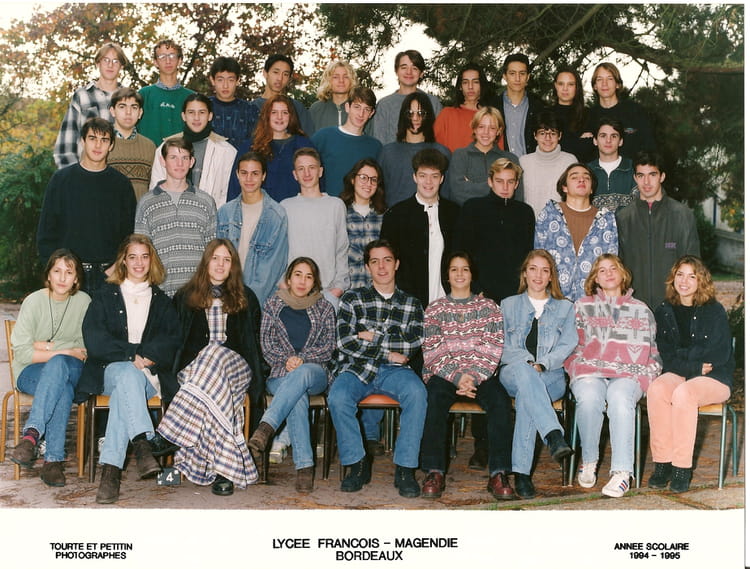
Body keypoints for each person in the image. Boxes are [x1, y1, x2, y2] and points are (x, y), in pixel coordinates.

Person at [75, 234, 181, 504]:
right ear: (123, 260)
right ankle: (143, 441)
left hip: (148, 378)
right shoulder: (104, 296)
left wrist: (149, 355)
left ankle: (111, 474)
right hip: (110, 372)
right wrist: (130, 353)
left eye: (144, 256)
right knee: (125, 373)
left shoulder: (162, 301)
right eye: (132, 256)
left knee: (128, 386)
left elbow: (172, 340)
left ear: (152, 260)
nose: (139, 262)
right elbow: (95, 339)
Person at [157, 239, 266, 497]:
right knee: (214, 387)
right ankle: (224, 472)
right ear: (206, 262)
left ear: (233, 266)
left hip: (236, 369)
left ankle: (171, 435)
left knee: (214, 352)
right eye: (215, 258)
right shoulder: (185, 296)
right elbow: (175, 342)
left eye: (226, 260)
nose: (220, 264)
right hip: (197, 374)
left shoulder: (246, 297)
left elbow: (252, 344)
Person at [327, 239, 426, 497]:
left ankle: (405, 469)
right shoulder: (352, 299)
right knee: (338, 397)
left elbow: (411, 345)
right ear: (367, 268)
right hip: (356, 368)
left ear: (397, 264)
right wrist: (387, 351)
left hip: (395, 372)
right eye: (375, 261)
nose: (381, 267)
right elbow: (345, 342)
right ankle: (357, 465)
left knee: (417, 393)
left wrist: (370, 336)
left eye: (387, 260)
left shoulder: (412, 303)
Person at [419, 252, 514, 500]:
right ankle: (434, 471)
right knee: (433, 398)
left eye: (465, 269)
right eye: (454, 269)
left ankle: (499, 472)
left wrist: (472, 376)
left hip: (481, 374)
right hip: (444, 374)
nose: (460, 274)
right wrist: (457, 376)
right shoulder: (435, 309)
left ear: (472, 274)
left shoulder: (489, 308)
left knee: (500, 401)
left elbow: (492, 347)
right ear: (447, 275)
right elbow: (433, 350)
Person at [565, 253, 661, 497]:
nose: (608, 273)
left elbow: (653, 353)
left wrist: (643, 377)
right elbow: (572, 347)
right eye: (602, 270)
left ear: (623, 274)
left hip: (629, 372)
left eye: (613, 268)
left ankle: (622, 473)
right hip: (590, 370)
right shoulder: (581, 306)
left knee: (619, 398)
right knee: (589, 398)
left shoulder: (641, 309)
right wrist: (577, 368)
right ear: (595, 279)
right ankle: (589, 460)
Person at [248, 257, 336, 492]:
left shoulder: (325, 308)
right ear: (288, 279)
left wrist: (302, 359)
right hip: (280, 372)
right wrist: (287, 359)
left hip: (315, 372)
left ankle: (266, 427)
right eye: (298, 274)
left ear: (315, 282)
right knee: (297, 396)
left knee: (302, 373)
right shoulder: (272, 305)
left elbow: (328, 347)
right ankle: (304, 468)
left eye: (308, 276)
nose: (302, 281)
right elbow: (266, 345)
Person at [647, 255, 734, 493]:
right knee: (657, 389)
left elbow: (718, 354)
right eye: (680, 275)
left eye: (691, 276)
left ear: (701, 281)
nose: (684, 281)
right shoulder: (664, 310)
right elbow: (666, 354)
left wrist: (685, 359)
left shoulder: (714, 310)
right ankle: (662, 464)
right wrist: (692, 365)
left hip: (715, 377)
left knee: (684, 393)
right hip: (684, 371)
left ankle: (681, 469)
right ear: (673, 278)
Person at [9, 250, 91, 487]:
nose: (62, 278)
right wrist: (64, 350)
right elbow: (22, 352)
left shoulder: (84, 302)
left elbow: (85, 349)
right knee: (61, 387)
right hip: (30, 372)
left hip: (72, 369)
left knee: (58, 367)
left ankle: (31, 435)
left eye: (69, 272)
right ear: (48, 275)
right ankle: (52, 462)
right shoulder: (33, 301)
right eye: (57, 271)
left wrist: (42, 346)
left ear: (76, 278)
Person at [498, 249, 576, 499]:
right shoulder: (508, 305)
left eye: (545, 270)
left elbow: (568, 344)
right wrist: (528, 362)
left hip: (551, 376)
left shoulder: (566, 308)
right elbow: (500, 346)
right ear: (524, 273)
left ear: (551, 276)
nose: (538, 275)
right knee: (525, 374)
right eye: (533, 269)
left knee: (527, 397)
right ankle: (553, 434)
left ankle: (521, 475)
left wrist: (543, 364)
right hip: (513, 372)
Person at [37, 117, 136, 295]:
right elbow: (46, 233)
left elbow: (129, 234)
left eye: (104, 140)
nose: (98, 145)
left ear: (111, 145)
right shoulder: (61, 180)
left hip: (109, 276)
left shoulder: (121, 184)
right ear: (83, 141)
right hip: (70, 275)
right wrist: (57, 271)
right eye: (92, 138)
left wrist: (115, 268)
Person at [616, 151, 700, 309]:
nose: (646, 182)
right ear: (635, 178)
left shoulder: (682, 215)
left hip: (674, 307)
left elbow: (694, 265)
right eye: (641, 175)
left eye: (652, 175)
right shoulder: (623, 218)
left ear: (662, 177)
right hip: (634, 308)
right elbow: (618, 267)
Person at [135, 138, 217, 297]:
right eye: (173, 157)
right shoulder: (146, 202)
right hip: (159, 291)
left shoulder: (206, 201)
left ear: (192, 162)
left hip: (197, 292)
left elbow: (212, 250)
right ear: (163, 161)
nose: (180, 163)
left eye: (185, 158)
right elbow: (141, 250)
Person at [381, 148, 459, 308]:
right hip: (408, 303)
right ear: (415, 177)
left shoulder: (455, 213)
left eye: (434, 176)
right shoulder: (396, 214)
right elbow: (387, 259)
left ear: (442, 179)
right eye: (423, 175)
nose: (428, 182)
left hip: (447, 302)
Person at [454, 158, 535, 304]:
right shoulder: (472, 208)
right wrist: (475, 289)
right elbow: (461, 253)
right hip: (480, 294)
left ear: (516, 184)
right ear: (490, 182)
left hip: (516, 295)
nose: (505, 187)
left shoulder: (525, 212)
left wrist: (523, 290)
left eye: (510, 182)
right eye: (499, 181)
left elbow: (528, 255)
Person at [534, 163, 618, 302]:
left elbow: (612, 261)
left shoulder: (606, 219)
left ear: (591, 189)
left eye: (586, 177)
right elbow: (538, 257)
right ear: (564, 187)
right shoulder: (549, 215)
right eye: (574, 177)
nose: (581, 179)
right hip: (553, 300)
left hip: (593, 302)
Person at [217, 151, 288, 306]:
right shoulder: (225, 212)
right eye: (244, 173)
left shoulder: (276, 214)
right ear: (237, 174)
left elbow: (274, 266)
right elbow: (218, 259)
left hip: (260, 300)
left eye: (255, 173)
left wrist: (248, 301)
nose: (249, 179)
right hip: (227, 294)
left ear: (263, 176)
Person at [281, 147, 349, 307]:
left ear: (320, 171)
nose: (307, 173)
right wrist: (283, 285)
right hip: (293, 294)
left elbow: (342, 249)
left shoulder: (336, 205)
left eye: (311, 167)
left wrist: (338, 288)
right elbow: (278, 253)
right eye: (301, 169)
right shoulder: (285, 207)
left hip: (327, 293)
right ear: (295, 174)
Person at [149, 93, 237, 208]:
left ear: (210, 116)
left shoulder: (227, 152)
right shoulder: (164, 148)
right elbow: (156, 189)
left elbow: (226, 195)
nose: (196, 118)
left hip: (211, 215)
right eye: (191, 112)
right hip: (170, 214)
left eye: (202, 112)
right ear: (183, 116)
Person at [53, 42, 127, 169]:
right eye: (106, 60)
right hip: (85, 172)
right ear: (98, 63)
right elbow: (66, 144)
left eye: (115, 61)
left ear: (121, 66)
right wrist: (73, 174)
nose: (110, 65)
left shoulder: (129, 100)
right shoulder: (82, 96)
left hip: (120, 172)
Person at [378, 92, 451, 207]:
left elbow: (447, 194)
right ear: (403, 116)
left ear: (428, 116)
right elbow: (378, 193)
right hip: (395, 216)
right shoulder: (387, 153)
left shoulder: (442, 152)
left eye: (421, 113)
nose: (415, 118)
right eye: (410, 113)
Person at [311, 86, 382, 197]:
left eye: (367, 109)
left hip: (359, 206)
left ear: (372, 113)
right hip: (328, 204)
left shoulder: (375, 146)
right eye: (357, 107)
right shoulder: (323, 137)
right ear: (347, 107)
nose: (361, 114)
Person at [445, 107, 521, 205]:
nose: (486, 132)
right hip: (469, 214)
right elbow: (457, 194)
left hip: (503, 214)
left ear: (499, 131)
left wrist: (472, 186)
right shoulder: (460, 155)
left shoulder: (511, 159)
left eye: (492, 128)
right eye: (481, 127)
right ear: (474, 129)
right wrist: (497, 188)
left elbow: (518, 199)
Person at [582, 62, 656, 159]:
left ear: (617, 84)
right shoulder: (587, 117)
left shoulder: (634, 111)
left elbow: (649, 146)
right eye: (599, 79)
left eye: (610, 79)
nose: (604, 84)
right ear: (595, 86)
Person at [252, 94, 315, 202]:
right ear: (267, 116)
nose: (279, 117)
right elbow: (237, 186)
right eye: (274, 112)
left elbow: (317, 183)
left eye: (284, 112)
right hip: (261, 209)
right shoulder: (252, 147)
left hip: (298, 208)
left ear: (291, 116)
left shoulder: (304, 145)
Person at [372, 50, 443, 145]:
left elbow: (440, 138)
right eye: (404, 67)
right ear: (396, 71)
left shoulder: (433, 102)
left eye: (414, 68)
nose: (409, 72)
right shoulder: (384, 105)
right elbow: (379, 141)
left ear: (421, 73)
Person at [137, 38, 195, 146]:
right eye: (162, 57)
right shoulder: (143, 95)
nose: (168, 61)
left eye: (172, 56)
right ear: (155, 62)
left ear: (180, 60)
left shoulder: (192, 97)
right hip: (149, 155)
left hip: (182, 155)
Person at [519, 111, 577, 217]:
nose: (547, 138)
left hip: (561, 224)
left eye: (553, 133)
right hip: (530, 223)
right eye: (542, 133)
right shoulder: (523, 162)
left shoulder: (570, 161)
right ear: (535, 135)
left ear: (560, 136)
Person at [341, 158, 386, 290]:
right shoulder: (341, 212)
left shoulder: (384, 215)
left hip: (376, 290)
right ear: (352, 179)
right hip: (347, 289)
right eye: (363, 178)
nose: (368, 183)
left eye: (373, 179)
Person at [107, 87, 157, 201]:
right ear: (112, 111)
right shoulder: (100, 145)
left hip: (141, 211)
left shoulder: (150, 147)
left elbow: (155, 188)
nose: (128, 112)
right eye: (122, 106)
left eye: (134, 107)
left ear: (140, 113)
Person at [434, 63, 496, 152]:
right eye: (465, 82)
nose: (470, 87)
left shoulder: (491, 117)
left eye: (475, 82)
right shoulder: (446, 115)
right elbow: (434, 150)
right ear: (460, 86)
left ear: (482, 85)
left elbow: (499, 154)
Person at [251, 54, 315, 136]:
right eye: (276, 72)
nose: (280, 78)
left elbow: (308, 139)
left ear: (289, 79)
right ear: (265, 73)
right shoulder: (252, 108)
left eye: (285, 74)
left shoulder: (297, 108)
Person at [498, 53, 545, 157]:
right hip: (501, 165)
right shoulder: (494, 106)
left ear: (528, 77)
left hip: (530, 165)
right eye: (512, 73)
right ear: (504, 76)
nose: (517, 78)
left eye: (522, 73)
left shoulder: (538, 107)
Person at [208, 56, 260, 151]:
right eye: (220, 80)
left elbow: (257, 143)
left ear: (238, 81)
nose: (225, 85)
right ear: (212, 80)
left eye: (230, 80)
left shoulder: (250, 110)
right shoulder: (204, 107)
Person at [587, 118, 636, 213]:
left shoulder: (633, 169)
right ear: (595, 140)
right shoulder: (586, 172)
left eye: (614, 136)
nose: (608, 140)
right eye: (603, 136)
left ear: (620, 141)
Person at [549, 67, 591, 162]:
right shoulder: (545, 114)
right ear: (555, 86)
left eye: (570, 84)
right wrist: (578, 142)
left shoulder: (587, 115)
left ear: (577, 87)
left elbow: (588, 150)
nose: (565, 89)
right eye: (561, 84)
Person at [310, 60, 358, 131]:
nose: (341, 81)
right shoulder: (316, 109)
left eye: (346, 77)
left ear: (352, 80)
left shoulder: (361, 110)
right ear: (328, 81)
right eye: (336, 77)